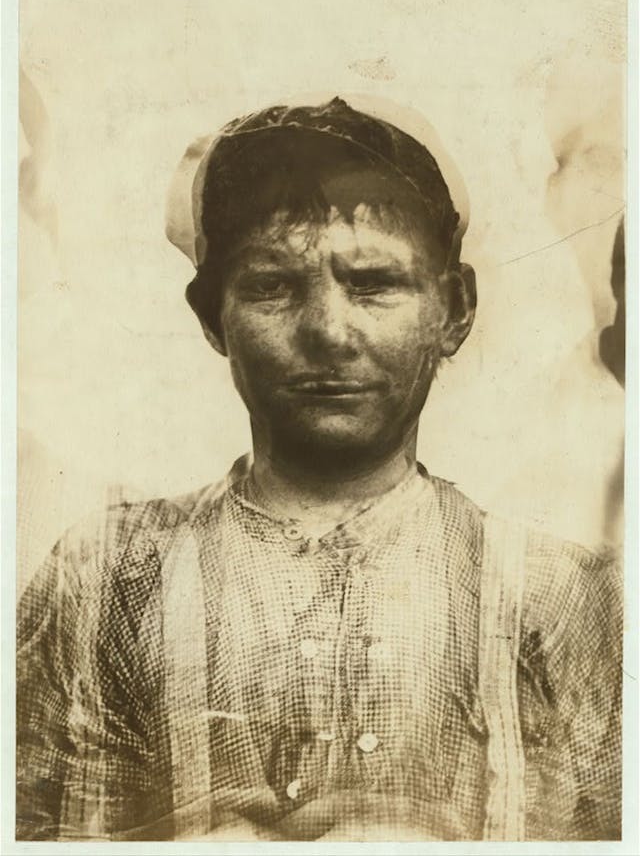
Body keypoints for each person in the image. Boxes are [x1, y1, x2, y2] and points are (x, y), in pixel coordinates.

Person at [16, 96, 622, 842]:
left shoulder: (560, 599)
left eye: (374, 283)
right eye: (272, 284)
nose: (330, 332)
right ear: (213, 316)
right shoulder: (108, 578)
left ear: (454, 309)